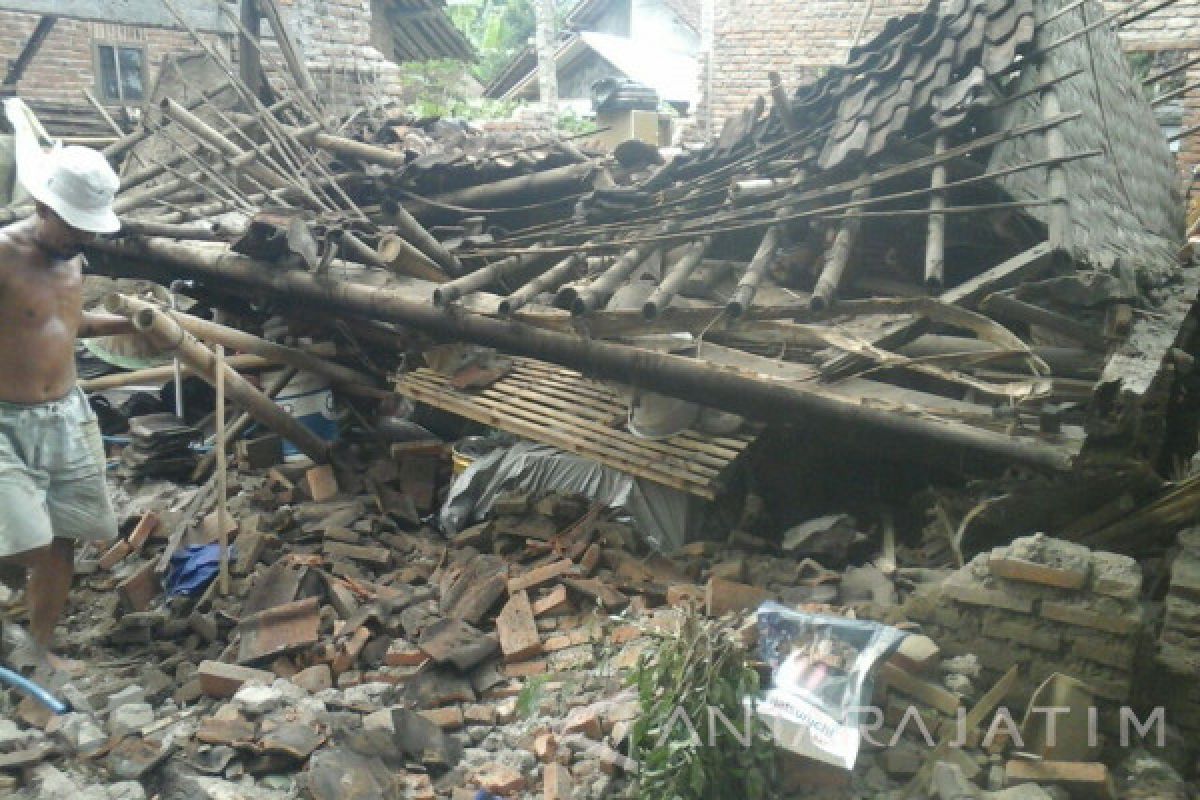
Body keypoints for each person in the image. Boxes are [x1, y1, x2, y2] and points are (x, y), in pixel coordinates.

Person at [0, 144, 134, 676]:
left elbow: (57, 324)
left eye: (88, 227)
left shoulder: (72, 255)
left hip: (67, 414)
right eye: (74, 225)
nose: (84, 237)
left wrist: (129, 322)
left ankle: (38, 650)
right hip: (5, 420)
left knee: (62, 539)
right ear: (42, 204)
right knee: (26, 542)